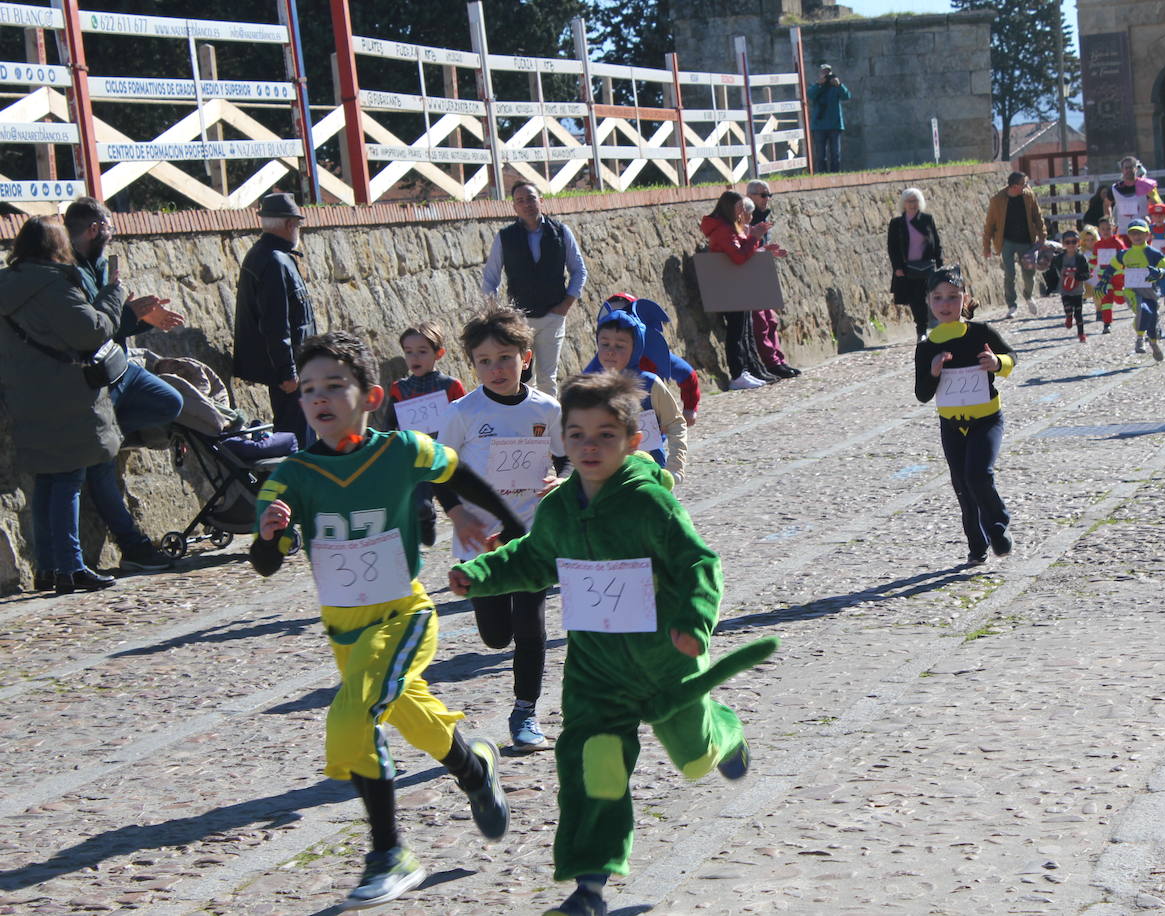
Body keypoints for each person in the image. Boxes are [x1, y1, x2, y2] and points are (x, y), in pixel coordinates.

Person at [449, 371, 778, 916]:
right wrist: (479, 575)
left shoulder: (649, 505)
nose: (589, 446)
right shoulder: (557, 510)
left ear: (631, 440)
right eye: (576, 434)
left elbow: (699, 563)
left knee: (694, 758)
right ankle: (589, 889)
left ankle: (722, 733)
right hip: (595, 673)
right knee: (591, 771)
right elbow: (532, 559)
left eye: (605, 434)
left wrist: (695, 624)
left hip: (665, 664)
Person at [250, 330, 520, 911]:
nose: (321, 398)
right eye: (311, 389)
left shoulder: (400, 450)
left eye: (336, 386)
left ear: (371, 397)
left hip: (404, 614)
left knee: (352, 716)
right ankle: (475, 770)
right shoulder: (291, 475)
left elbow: (455, 472)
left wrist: (503, 529)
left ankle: (390, 853)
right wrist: (271, 535)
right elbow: (266, 562)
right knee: (406, 712)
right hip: (344, 631)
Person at [439, 306, 565, 752]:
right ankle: (497, 632)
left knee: (531, 627)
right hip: (481, 541)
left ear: (525, 358)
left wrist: (561, 480)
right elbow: (439, 471)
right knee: (496, 637)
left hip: (530, 535)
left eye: (505, 358)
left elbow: (566, 454)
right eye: (484, 361)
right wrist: (458, 514)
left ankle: (525, 712)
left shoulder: (547, 408)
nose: (496, 368)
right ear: (472, 365)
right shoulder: (464, 413)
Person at [0, 216, 122, 594]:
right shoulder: (56, 285)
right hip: (66, 396)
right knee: (68, 477)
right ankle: (71, 567)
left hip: (23, 395)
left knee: (47, 482)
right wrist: (113, 294)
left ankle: (49, 567)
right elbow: (92, 331)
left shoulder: (6, 285)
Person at [63, 197, 181, 572]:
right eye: (109, 228)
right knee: (97, 470)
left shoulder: (99, 265)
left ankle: (114, 432)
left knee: (170, 402)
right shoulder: (67, 272)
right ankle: (133, 546)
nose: (113, 236)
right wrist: (132, 315)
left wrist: (143, 319)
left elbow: (114, 322)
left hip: (121, 366)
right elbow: (93, 329)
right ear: (95, 228)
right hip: (92, 376)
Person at [913, 266, 1016, 566]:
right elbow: (922, 393)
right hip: (951, 426)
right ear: (929, 302)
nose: (945, 305)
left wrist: (997, 363)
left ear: (965, 299)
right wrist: (933, 371)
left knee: (978, 475)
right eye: (938, 298)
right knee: (962, 484)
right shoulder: (927, 347)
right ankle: (977, 544)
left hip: (986, 419)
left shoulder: (980, 333)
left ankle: (997, 528)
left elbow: (1012, 357)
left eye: (953, 297)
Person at [481, 181, 588, 396]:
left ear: (541, 200)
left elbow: (579, 270)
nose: (526, 204)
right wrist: (495, 314)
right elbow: (491, 278)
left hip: (553, 317)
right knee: (522, 377)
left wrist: (566, 305)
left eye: (531, 198)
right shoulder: (505, 237)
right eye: (520, 200)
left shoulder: (561, 232)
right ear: (514, 207)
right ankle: (525, 424)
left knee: (548, 378)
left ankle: (550, 427)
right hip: (520, 321)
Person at [233, 191, 316, 446]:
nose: (298, 230)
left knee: (300, 437)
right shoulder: (274, 260)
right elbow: (275, 323)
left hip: (294, 367)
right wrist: (287, 372)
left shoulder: (270, 256)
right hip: (290, 373)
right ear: (289, 224)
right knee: (299, 443)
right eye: (297, 224)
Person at [386, 322, 467, 547]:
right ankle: (426, 520)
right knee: (421, 504)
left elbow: (467, 419)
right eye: (409, 352)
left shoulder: (451, 386)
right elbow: (388, 425)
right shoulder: (398, 389)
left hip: (448, 455)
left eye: (422, 352)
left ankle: (467, 551)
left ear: (438, 353)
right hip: (416, 458)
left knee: (463, 507)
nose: (415, 358)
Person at [699, 190, 786, 390]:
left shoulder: (730, 228)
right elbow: (738, 257)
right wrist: (755, 237)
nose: (740, 213)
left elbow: (743, 253)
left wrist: (761, 247)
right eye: (738, 208)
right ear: (728, 208)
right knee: (736, 331)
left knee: (745, 330)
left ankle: (747, 369)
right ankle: (738, 373)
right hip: (730, 286)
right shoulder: (723, 230)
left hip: (736, 284)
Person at [591, 307, 688, 482]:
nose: (611, 351)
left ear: (636, 347)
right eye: (605, 344)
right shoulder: (590, 388)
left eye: (620, 346)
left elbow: (675, 423)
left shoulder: (650, 384)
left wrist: (675, 467)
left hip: (650, 476)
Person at [746, 180, 800, 378]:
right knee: (760, 322)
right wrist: (761, 248)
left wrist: (769, 252)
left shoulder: (762, 218)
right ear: (750, 196)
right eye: (763, 195)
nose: (767, 199)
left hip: (762, 272)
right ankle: (771, 362)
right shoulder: (747, 221)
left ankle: (778, 360)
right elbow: (743, 250)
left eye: (769, 195)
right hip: (749, 277)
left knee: (771, 320)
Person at [1099, 218, 1165, 361]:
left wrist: (1159, 272)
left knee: (1151, 319)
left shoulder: (1153, 253)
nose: (1137, 237)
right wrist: (1104, 281)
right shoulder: (1124, 254)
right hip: (1132, 291)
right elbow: (1112, 267)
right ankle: (1139, 338)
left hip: (1150, 292)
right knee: (1142, 309)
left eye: (1140, 233)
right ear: (1129, 236)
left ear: (1147, 235)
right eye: (1133, 234)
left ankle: (1154, 343)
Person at [981, 171, 1045, 317]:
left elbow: (1038, 216)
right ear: (1015, 186)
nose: (1026, 186)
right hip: (1006, 242)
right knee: (1009, 273)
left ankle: (1028, 295)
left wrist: (1042, 236)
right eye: (1024, 184)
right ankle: (1012, 305)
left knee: (1029, 274)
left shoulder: (1029, 196)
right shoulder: (997, 200)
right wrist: (986, 247)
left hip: (1026, 241)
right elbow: (989, 224)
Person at [887, 187, 944, 341]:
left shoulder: (927, 219)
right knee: (915, 299)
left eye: (915, 201)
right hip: (908, 269)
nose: (912, 204)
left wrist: (940, 263)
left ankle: (934, 323)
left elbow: (936, 242)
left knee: (931, 296)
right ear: (903, 204)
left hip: (927, 266)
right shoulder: (896, 224)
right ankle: (922, 330)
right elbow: (892, 248)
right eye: (909, 201)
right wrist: (897, 267)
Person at [1048, 230, 1090, 342]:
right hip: (1064, 290)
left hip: (1078, 290)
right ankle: (1068, 317)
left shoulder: (1081, 258)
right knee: (1067, 308)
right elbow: (1051, 268)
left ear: (1079, 243)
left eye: (1074, 241)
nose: (1071, 245)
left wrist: (1075, 276)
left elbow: (1087, 275)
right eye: (1068, 242)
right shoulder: (1059, 258)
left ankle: (1081, 334)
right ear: (1063, 244)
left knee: (1079, 313)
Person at [807, 63, 850, 172]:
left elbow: (847, 96)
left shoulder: (835, 87)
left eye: (828, 72)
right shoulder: (816, 86)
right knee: (820, 155)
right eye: (824, 72)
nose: (826, 74)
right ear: (820, 74)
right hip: (819, 126)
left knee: (835, 154)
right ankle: (822, 174)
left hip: (834, 125)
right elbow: (810, 95)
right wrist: (819, 84)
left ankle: (835, 173)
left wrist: (839, 85)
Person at [1092, 216, 1127, 333]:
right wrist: (1088, 270)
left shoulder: (1118, 243)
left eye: (1108, 229)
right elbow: (1093, 259)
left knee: (1120, 299)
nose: (1105, 231)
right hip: (1104, 278)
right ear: (1099, 230)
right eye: (1103, 229)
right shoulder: (1097, 245)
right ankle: (1107, 323)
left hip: (1118, 276)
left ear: (1113, 228)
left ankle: (1126, 297)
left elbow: (1125, 257)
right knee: (1106, 301)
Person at [1109, 156, 1162, 227]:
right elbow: (1106, 204)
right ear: (1122, 170)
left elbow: (1158, 205)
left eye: (1131, 167)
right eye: (1126, 168)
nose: (1128, 170)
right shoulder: (1116, 188)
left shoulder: (1146, 186)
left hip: (1142, 230)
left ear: (1136, 169)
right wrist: (1110, 220)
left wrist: (1151, 219)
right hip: (1123, 231)